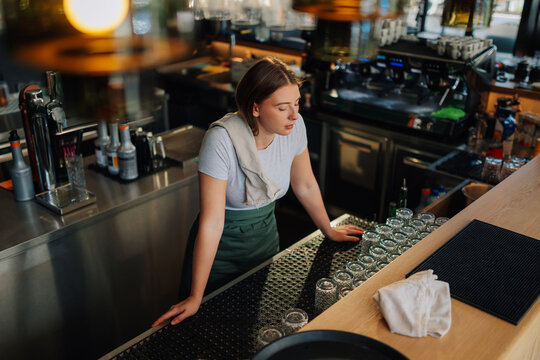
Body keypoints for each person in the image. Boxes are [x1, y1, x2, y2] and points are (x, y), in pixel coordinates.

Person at [152, 56, 363, 328]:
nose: (294, 115)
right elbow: (212, 221)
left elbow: (305, 184)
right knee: (207, 329)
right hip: (219, 252)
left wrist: (328, 229)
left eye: (297, 103)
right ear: (255, 108)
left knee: (250, 324)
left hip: (264, 241)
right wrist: (195, 296)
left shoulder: (294, 128)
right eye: (282, 107)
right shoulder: (222, 139)